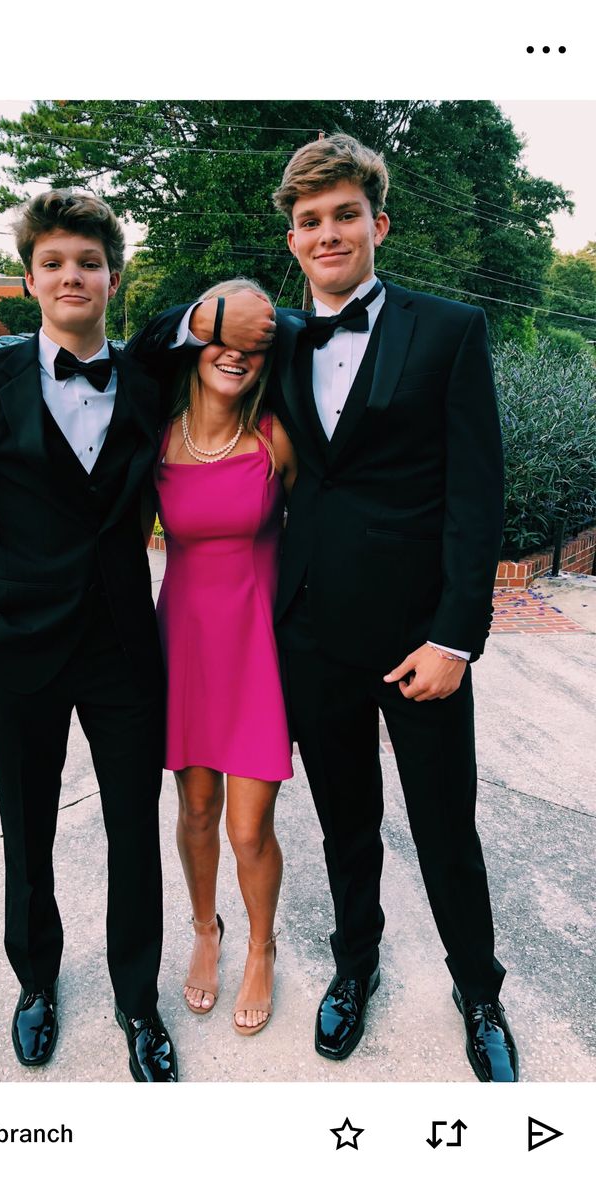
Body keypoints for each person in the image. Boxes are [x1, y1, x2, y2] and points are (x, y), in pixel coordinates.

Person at [144, 133, 519, 1081]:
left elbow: (479, 499)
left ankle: (480, 991)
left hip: (418, 641)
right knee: (349, 826)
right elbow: (156, 352)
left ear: (377, 223)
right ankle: (355, 970)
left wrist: (455, 637)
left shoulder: (449, 330)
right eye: (309, 220)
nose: (327, 232)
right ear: (294, 238)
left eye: (345, 214)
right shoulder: (278, 340)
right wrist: (207, 306)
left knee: (444, 826)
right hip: (311, 636)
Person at [0, 190, 177, 1082]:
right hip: (20, 649)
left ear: (113, 275)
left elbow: (224, 336)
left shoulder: (153, 383)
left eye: (88, 262)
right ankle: (36, 982)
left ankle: (137, 1001)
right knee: (26, 825)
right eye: (53, 263)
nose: (71, 276)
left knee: (133, 832)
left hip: (122, 647)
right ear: (32, 279)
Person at [153, 279, 297, 1035]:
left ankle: (260, 947)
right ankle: (205, 931)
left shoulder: (274, 438)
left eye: (250, 345)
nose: (233, 355)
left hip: (256, 654)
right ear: (194, 342)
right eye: (220, 338)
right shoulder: (158, 435)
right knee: (197, 810)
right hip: (184, 648)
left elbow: (318, 536)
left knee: (248, 828)